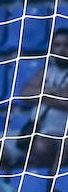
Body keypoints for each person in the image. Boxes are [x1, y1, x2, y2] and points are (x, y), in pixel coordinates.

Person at [18, 29, 68, 168]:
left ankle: (47, 183)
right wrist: (54, 92)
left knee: (40, 146)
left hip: (60, 132)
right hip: (36, 128)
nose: (62, 50)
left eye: (66, 45)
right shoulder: (44, 72)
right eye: (57, 45)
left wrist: (41, 94)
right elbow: (24, 94)